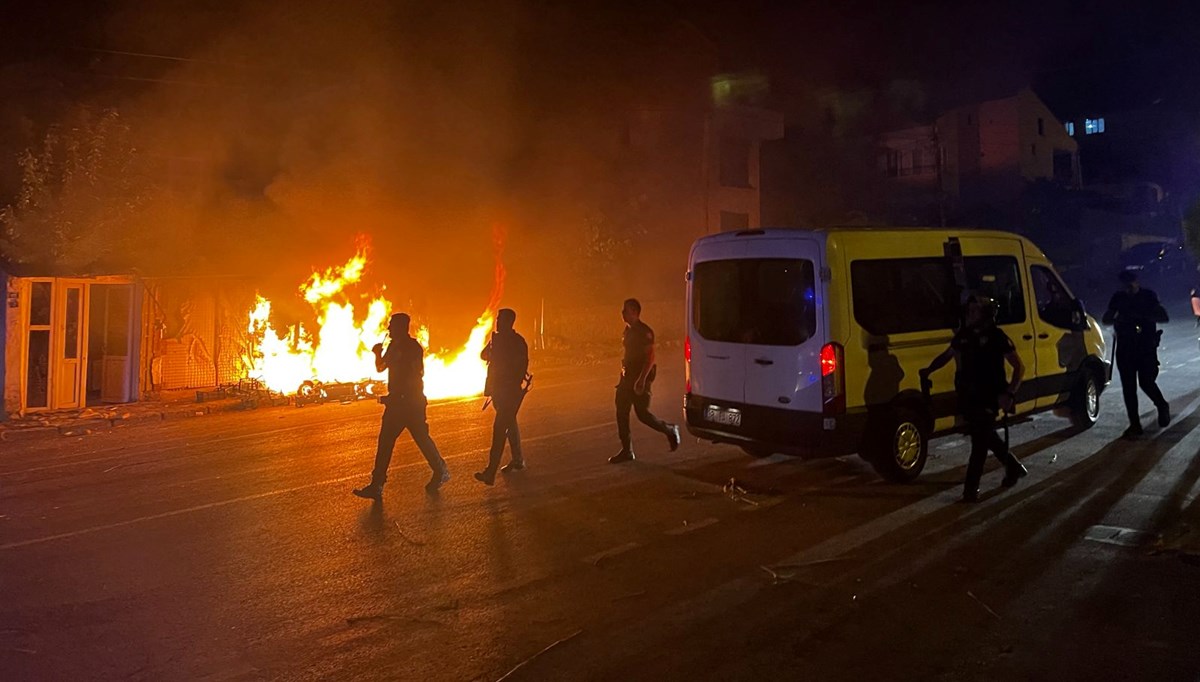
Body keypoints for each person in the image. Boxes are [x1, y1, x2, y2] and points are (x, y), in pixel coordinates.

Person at [920, 295, 1028, 503]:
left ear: (985, 315)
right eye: (968, 311)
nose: (969, 314)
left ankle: (970, 491)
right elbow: (948, 355)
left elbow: (1018, 367)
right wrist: (929, 370)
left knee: (979, 443)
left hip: (989, 396)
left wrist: (1010, 394)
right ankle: (1013, 468)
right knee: (987, 437)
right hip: (969, 395)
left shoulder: (997, 337)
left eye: (974, 311)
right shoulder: (965, 335)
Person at [353, 312, 449, 498]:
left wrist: (403, 395)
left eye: (392, 325)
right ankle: (377, 484)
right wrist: (377, 353)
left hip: (411, 403)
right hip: (397, 403)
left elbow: (417, 374)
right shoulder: (392, 346)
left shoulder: (413, 348)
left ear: (401, 327)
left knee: (421, 438)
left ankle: (441, 470)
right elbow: (381, 368)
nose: (388, 329)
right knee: (385, 442)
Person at [609, 298, 681, 463]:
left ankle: (670, 430)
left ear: (634, 311)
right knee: (621, 412)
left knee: (643, 415)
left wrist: (641, 379)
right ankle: (627, 450)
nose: (622, 313)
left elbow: (650, 357)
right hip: (626, 379)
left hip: (639, 379)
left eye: (625, 310)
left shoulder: (644, 332)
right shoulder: (627, 331)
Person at [1102, 270, 1170, 438]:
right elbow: (1107, 318)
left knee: (1146, 382)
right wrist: (1118, 316)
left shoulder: (1148, 296)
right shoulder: (1118, 298)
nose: (1128, 286)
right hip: (1125, 348)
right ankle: (1135, 424)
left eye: (1131, 282)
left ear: (1137, 281)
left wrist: (1143, 317)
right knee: (1129, 388)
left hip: (1145, 347)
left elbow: (1163, 316)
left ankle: (1162, 405)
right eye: (1125, 283)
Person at [474, 308, 530, 486]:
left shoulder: (517, 342)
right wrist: (492, 349)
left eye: (500, 319)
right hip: (498, 391)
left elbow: (520, 368)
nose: (497, 322)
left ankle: (490, 472)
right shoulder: (496, 340)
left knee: (499, 430)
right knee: (510, 425)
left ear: (509, 322)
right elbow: (483, 355)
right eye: (497, 319)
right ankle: (518, 460)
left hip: (510, 392)